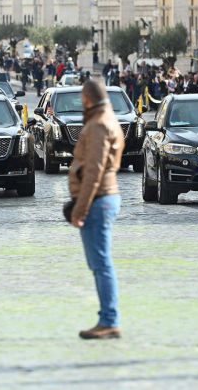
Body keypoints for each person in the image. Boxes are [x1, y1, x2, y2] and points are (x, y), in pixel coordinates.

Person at [68, 78, 125, 340]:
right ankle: (107, 317)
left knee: (101, 263)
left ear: (88, 99)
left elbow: (94, 171)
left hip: (99, 199)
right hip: (101, 198)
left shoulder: (100, 124)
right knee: (99, 262)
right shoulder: (105, 119)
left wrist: (81, 207)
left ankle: (109, 320)